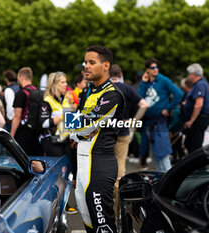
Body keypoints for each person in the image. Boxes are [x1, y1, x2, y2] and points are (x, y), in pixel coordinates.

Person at [70, 46, 124, 232]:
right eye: (85, 62)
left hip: (99, 165)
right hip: (83, 164)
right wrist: (80, 130)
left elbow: (85, 124)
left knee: (103, 225)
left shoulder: (112, 93)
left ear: (106, 65)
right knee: (87, 219)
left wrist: (80, 129)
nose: (86, 66)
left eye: (92, 62)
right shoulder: (89, 91)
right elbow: (75, 124)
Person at [109, 64, 149, 219]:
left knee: (106, 166)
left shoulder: (104, 88)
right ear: (121, 74)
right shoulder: (127, 88)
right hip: (123, 131)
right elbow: (144, 104)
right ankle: (117, 208)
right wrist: (133, 121)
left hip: (106, 132)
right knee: (120, 167)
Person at [138, 58, 183, 172]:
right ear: (147, 70)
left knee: (162, 152)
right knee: (155, 154)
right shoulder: (146, 82)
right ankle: (160, 180)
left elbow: (179, 94)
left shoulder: (163, 80)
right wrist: (143, 82)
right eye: (153, 67)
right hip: (148, 121)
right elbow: (139, 97)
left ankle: (168, 177)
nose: (156, 69)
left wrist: (168, 108)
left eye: (157, 67)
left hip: (160, 121)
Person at [38, 71, 75, 156]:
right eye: (63, 82)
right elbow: (44, 123)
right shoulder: (47, 100)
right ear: (54, 84)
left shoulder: (66, 99)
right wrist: (64, 115)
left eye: (66, 82)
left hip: (67, 142)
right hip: (53, 142)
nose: (66, 84)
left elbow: (71, 120)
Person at [11, 67, 41, 156]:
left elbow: (17, 116)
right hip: (36, 131)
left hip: (23, 132)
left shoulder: (21, 93)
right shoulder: (38, 91)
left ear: (21, 78)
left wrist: (11, 135)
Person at [183, 63, 209, 154]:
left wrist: (191, 121)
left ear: (193, 74)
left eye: (189, 74)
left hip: (198, 120)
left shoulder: (200, 84)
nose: (189, 76)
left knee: (195, 146)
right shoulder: (199, 84)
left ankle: (197, 167)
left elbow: (199, 104)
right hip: (198, 119)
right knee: (191, 144)